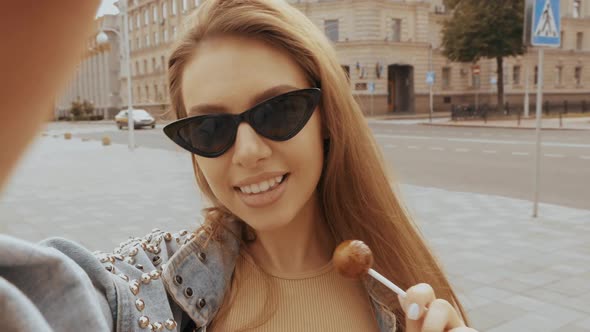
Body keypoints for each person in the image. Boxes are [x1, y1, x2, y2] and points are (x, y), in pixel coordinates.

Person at [0, 0, 479, 331]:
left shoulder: (403, 290)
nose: (247, 152)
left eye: (277, 111)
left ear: (327, 117)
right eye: (210, 128)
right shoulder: (150, 286)